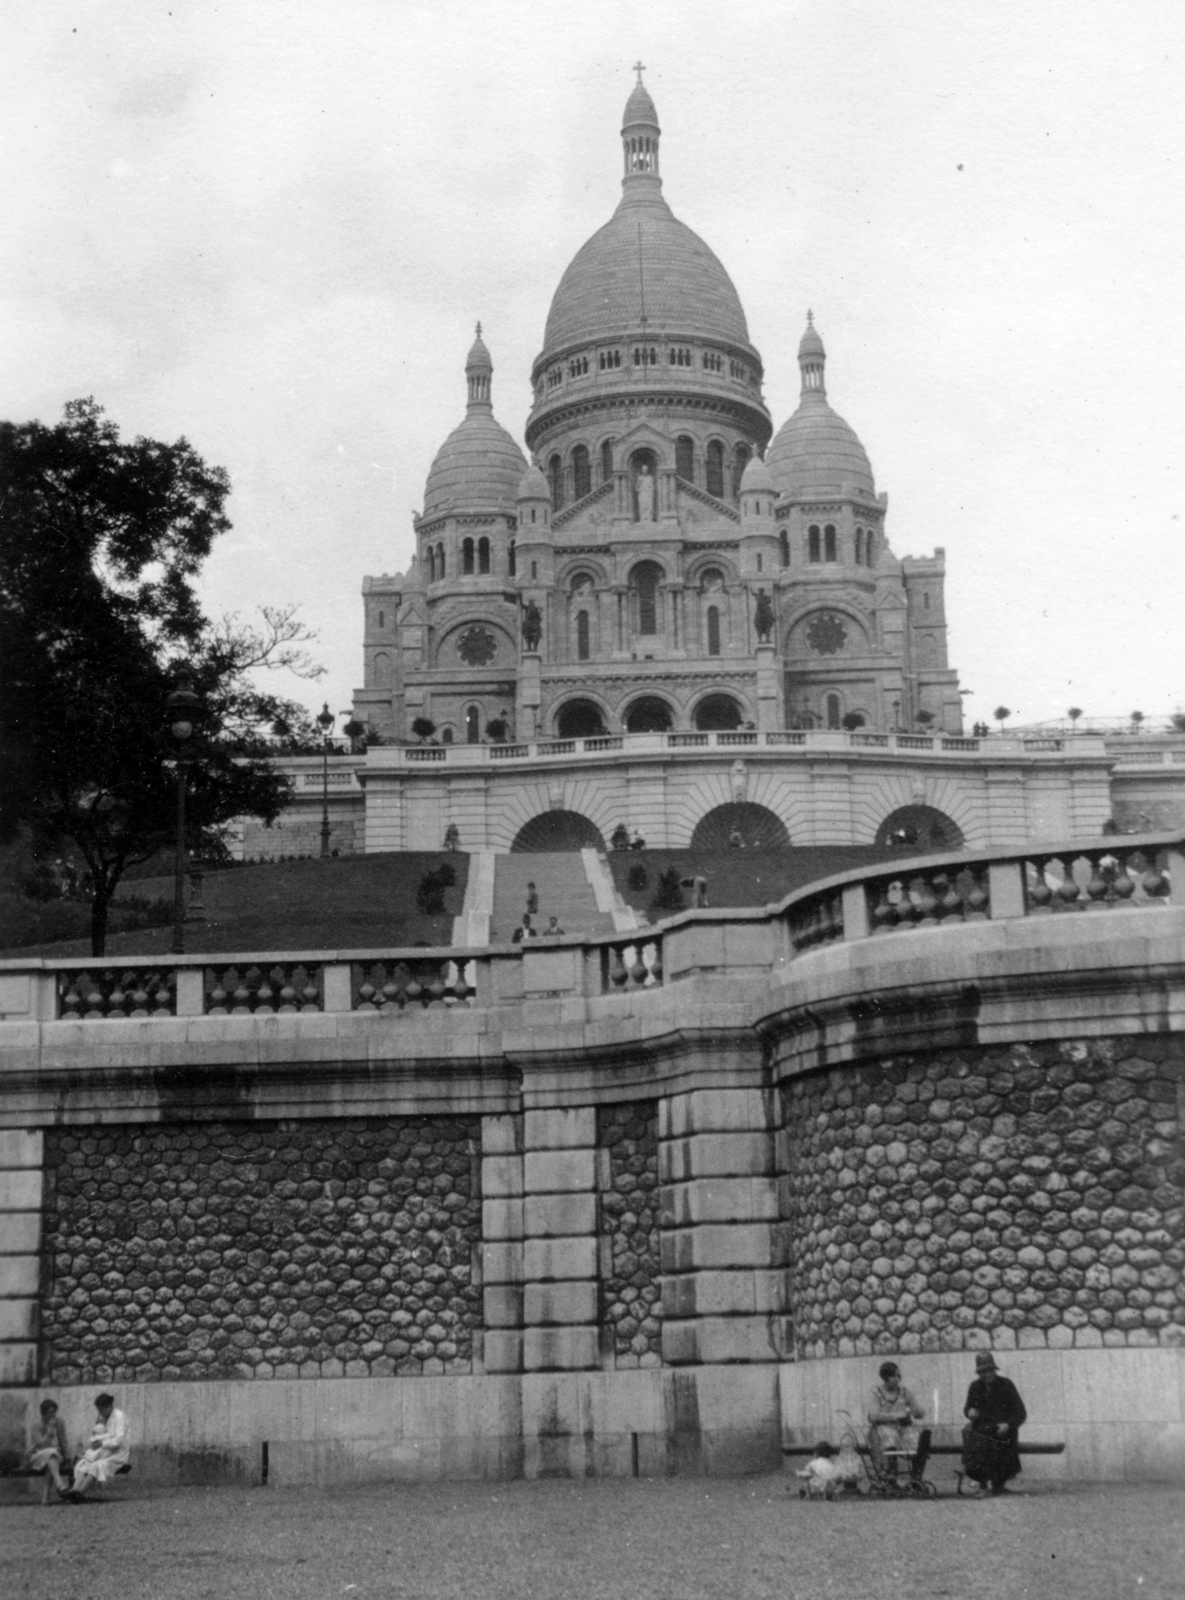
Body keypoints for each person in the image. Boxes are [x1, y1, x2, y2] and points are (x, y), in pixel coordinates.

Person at [962, 1351, 1027, 1495]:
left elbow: (1021, 1413)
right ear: (979, 1373)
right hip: (982, 1429)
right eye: (982, 1372)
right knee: (977, 1441)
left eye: (989, 1370)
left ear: (994, 1370)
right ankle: (983, 1485)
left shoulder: (1006, 1384)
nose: (986, 1374)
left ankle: (998, 1485)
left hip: (1003, 1430)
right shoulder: (975, 1386)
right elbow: (967, 1408)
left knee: (994, 1443)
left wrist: (1008, 1424)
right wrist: (970, 1411)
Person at [867, 1360, 926, 1480]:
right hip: (883, 1431)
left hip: (902, 1430)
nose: (898, 1379)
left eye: (899, 1375)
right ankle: (889, 1475)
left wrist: (915, 1411)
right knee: (889, 1440)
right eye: (894, 1376)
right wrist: (897, 1416)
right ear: (885, 1378)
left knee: (920, 1440)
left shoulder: (904, 1392)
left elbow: (919, 1412)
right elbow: (872, 1416)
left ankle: (916, 1477)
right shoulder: (876, 1393)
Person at [65, 1393, 129, 1501]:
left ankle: (79, 1493)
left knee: (96, 1465)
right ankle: (75, 1489)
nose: (100, 1413)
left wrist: (102, 1443)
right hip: (105, 1452)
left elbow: (119, 1440)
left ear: (109, 1406)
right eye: (98, 1410)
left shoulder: (119, 1417)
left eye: (101, 1410)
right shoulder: (105, 1417)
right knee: (84, 1463)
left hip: (117, 1454)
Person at [27, 1398, 70, 1501]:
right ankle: (59, 1483)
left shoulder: (59, 1422)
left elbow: (63, 1441)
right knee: (51, 1453)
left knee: (51, 1460)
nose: (53, 1415)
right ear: (43, 1413)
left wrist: (68, 1457)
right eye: (50, 1412)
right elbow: (41, 1445)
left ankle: (45, 1499)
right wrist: (50, 1432)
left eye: (54, 1412)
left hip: (54, 1457)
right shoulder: (36, 1425)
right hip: (36, 1456)